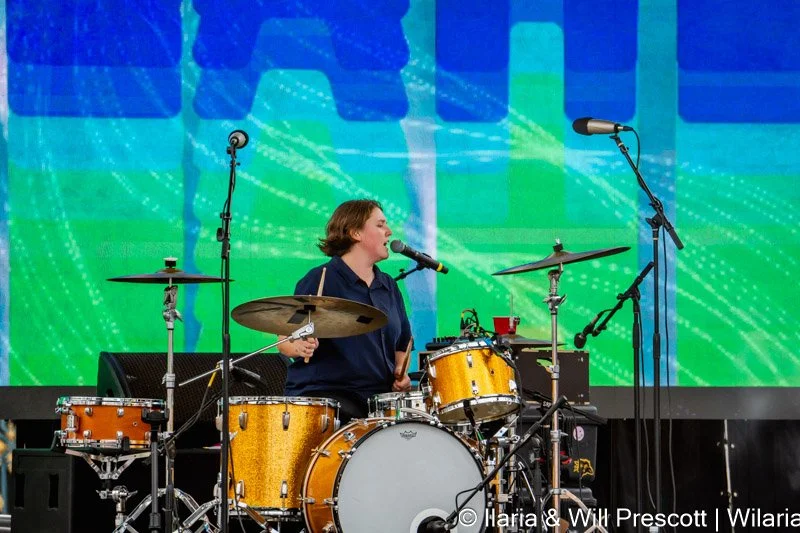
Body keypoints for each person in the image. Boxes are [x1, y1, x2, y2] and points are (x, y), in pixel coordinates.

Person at [279, 199, 413, 423]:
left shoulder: (388, 285)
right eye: (380, 225)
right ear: (355, 233)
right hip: (329, 399)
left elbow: (403, 344)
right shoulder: (320, 279)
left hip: (378, 400)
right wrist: (298, 346)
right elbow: (285, 339)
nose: (389, 231)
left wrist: (401, 372)